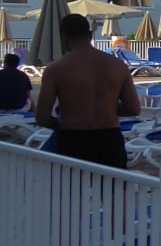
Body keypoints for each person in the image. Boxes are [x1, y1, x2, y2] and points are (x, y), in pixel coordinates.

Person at [36, 14, 141, 168]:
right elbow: (133, 109)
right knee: (112, 183)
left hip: (72, 139)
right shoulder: (118, 66)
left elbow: (42, 118)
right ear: (90, 34)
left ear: (63, 37)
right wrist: (107, 107)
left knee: (73, 184)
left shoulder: (55, 70)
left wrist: (63, 123)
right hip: (110, 140)